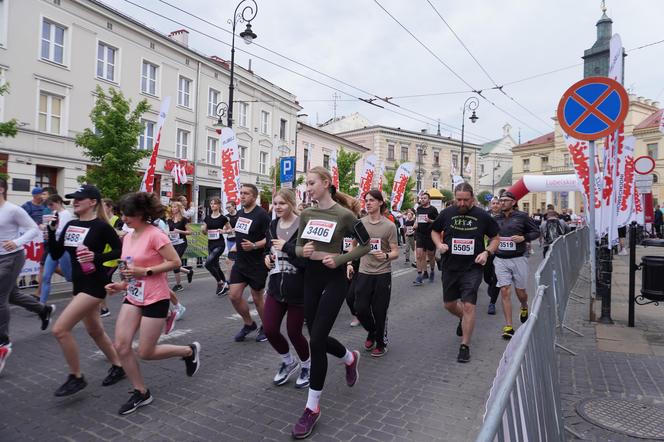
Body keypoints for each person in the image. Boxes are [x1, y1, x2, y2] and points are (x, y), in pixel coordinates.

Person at [290, 167, 369, 439]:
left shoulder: (345, 215)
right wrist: (304, 251)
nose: (308, 187)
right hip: (311, 278)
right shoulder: (307, 214)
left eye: (311, 183)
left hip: (334, 278)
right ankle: (349, 357)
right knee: (316, 337)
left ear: (326, 183)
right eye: (306, 184)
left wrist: (340, 260)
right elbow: (299, 246)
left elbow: (366, 245)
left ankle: (312, 408)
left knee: (316, 341)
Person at [105, 192, 201, 415]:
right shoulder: (128, 237)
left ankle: (188, 351)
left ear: (142, 214)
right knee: (121, 345)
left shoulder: (155, 235)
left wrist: (146, 271)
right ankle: (141, 392)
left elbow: (175, 262)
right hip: (133, 295)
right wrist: (121, 285)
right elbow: (129, 267)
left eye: (129, 215)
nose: (125, 219)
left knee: (146, 352)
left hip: (156, 297)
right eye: (123, 214)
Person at [48, 184, 125, 396]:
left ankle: (76, 377)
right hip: (79, 284)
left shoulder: (101, 226)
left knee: (60, 330)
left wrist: (96, 257)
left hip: (94, 284)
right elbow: (55, 253)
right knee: (95, 330)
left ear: (92, 202)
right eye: (73, 198)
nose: (74, 201)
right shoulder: (71, 224)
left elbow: (120, 250)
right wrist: (51, 231)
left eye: (79, 198)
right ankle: (119, 366)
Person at [431, 183, 499, 363]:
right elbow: (435, 231)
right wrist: (439, 245)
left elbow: (495, 238)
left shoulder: (483, 216)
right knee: (449, 304)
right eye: (458, 199)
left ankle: (465, 346)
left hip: (473, 267)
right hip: (450, 266)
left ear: (473, 199)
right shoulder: (447, 213)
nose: (461, 203)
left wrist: (487, 252)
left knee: (469, 306)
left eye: (465, 200)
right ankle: (462, 318)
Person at [0, 178, 56, 375]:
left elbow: (33, 229)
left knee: (0, 298)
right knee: (12, 295)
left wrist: (17, 242)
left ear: (1, 189)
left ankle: (3, 343)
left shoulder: (13, 209)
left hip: (11, 257)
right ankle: (43, 309)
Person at [263, 188, 310, 388]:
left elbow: (307, 261)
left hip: (298, 289)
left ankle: (307, 365)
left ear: (291, 203)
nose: (278, 207)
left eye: (282, 203)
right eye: (275, 203)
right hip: (275, 286)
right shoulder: (273, 225)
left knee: (294, 332)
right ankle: (288, 362)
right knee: (270, 329)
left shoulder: (304, 226)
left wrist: (287, 248)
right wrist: (267, 257)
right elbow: (269, 248)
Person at [349, 190, 398, 358]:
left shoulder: (389, 226)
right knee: (360, 308)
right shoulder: (360, 224)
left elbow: (395, 252)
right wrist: (349, 263)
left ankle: (380, 342)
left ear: (380, 203)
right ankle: (372, 331)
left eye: (371, 200)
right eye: (366, 200)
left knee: (379, 310)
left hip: (382, 273)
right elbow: (353, 245)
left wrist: (385, 255)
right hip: (364, 272)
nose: (368, 203)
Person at [493, 191, 540, 340]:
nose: (502, 203)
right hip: (500, 259)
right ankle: (508, 326)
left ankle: (524, 306)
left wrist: (523, 238)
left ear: (513, 202)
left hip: (518, 258)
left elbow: (536, 232)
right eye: (501, 201)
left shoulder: (522, 217)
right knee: (505, 291)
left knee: (521, 292)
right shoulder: (496, 219)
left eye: (506, 200)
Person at [228, 184, 271, 343]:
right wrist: (234, 248)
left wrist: (254, 245)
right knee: (234, 296)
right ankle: (249, 324)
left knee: (257, 297)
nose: (242, 196)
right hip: (240, 262)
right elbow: (239, 235)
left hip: (257, 263)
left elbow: (270, 238)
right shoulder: (239, 213)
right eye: (241, 193)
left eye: (246, 193)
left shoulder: (262, 215)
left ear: (254, 196)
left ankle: (266, 327)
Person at [39, 195, 74, 303]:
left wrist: (48, 230)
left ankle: (82, 290)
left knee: (70, 277)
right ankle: (41, 305)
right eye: (48, 205)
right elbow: (54, 230)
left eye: (51, 204)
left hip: (63, 248)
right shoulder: (55, 213)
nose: (50, 207)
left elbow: (62, 230)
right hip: (54, 247)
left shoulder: (66, 214)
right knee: (46, 276)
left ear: (58, 202)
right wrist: (47, 231)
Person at [201, 197, 230, 296]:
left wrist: (224, 231)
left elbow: (230, 230)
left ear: (219, 205)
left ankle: (220, 282)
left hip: (219, 244)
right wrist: (203, 230)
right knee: (216, 266)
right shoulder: (207, 218)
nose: (212, 205)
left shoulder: (223, 218)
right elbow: (204, 232)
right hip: (210, 244)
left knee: (208, 263)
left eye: (214, 203)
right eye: (211, 203)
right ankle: (225, 284)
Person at [20, 187, 45, 288]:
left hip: (40, 236)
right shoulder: (27, 206)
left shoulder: (44, 205)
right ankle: (22, 280)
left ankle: (33, 280)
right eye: (41, 194)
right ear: (35, 195)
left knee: (37, 258)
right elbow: (20, 218)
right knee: (27, 257)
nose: (42, 196)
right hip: (28, 235)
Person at [167, 201, 193, 293]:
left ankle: (179, 285)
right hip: (172, 243)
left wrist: (179, 231)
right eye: (172, 207)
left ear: (179, 208)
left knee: (175, 263)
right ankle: (188, 272)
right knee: (172, 263)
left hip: (181, 243)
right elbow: (168, 230)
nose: (173, 209)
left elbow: (190, 232)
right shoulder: (169, 219)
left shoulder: (184, 219)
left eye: (175, 207)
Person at [413, 193, 438, 285]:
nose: (422, 199)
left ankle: (431, 271)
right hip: (419, 234)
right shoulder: (419, 209)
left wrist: (430, 221)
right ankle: (420, 275)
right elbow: (417, 218)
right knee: (419, 255)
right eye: (421, 198)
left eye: (424, 198)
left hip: (430, 234)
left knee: (430, 255)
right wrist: (415, 224)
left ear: (429, 199)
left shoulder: (433, 210)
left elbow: (438, 222)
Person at [484, 197, 502, 315]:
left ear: (500, 205)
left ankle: (492, 303)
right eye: (493, 203)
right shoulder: (485, 216)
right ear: (490, 205)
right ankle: (491, 285)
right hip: (487, 250)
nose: (495, 205)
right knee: (486, 277)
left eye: (497, 203)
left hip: (501, 252)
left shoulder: (504, 217)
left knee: (497, 277)